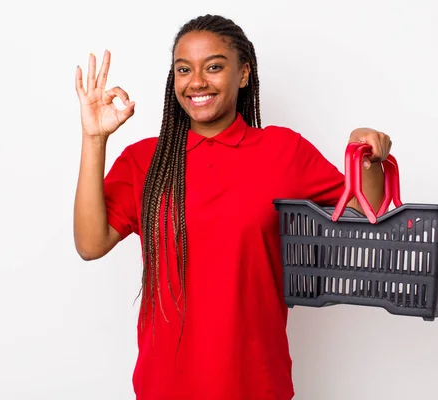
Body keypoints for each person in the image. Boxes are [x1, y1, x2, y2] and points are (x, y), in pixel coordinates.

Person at [73, 14, 392, 400]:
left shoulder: (282, 152)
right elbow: (91, 244)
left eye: (214, 67)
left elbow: (367, 213)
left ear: (243, 74)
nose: (197, 82)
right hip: (164, 386)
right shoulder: (147, 161)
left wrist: (366, 159)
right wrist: (94, 139)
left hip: (255, 384)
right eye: (184, 70)